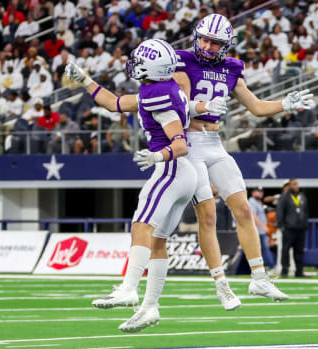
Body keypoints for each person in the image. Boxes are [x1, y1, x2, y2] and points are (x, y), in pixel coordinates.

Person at [66, 13, 312, 308]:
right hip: (188, 145)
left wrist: (284, 104)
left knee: (243, 209)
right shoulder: (178, 61)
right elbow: (177, 105)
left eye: (215, 42)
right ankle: (221, 285)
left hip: (215, 144)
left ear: (227, 45)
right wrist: (205, 106)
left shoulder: (232, 67)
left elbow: (256, 107)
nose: (207, 46)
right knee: (206, 216)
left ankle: (259, 278)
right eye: (204, 39)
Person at [67, 39, 197, 332]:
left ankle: (129, 288)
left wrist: (156, 155)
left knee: (140, 225)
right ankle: (149, 308)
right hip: (184, 175)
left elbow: (180, 144)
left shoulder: (156, 94)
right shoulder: (160, 89)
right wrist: (85, 80)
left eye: (140, 61)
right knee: (158, 242)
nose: (135, 64)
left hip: (171, 169)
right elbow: (115, 103)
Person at [276, 179, 309, 277]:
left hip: (300, 228)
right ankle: (284, 271)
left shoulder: (302, 196)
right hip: (289, 228)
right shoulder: (284, 197)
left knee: (299, 250)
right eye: (294, 184)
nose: (296, 186)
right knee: (286, 249)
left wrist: (305, 223)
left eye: (297, 184)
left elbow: (306, 211)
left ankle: (299, 271)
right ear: (289, 186)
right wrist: (281, 225)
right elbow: (280, 211)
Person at [249, 188, 275, 271]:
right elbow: (254, 216)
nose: (260, 193)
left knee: (263, 249)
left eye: (261, 192)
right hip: (257, 230)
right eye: (258, 191)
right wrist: (263, 226)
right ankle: (270, 266)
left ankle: (266, 266)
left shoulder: (258, 202)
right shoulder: (252, 202)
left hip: (261, 231)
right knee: (262, 249)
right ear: (253, 193)